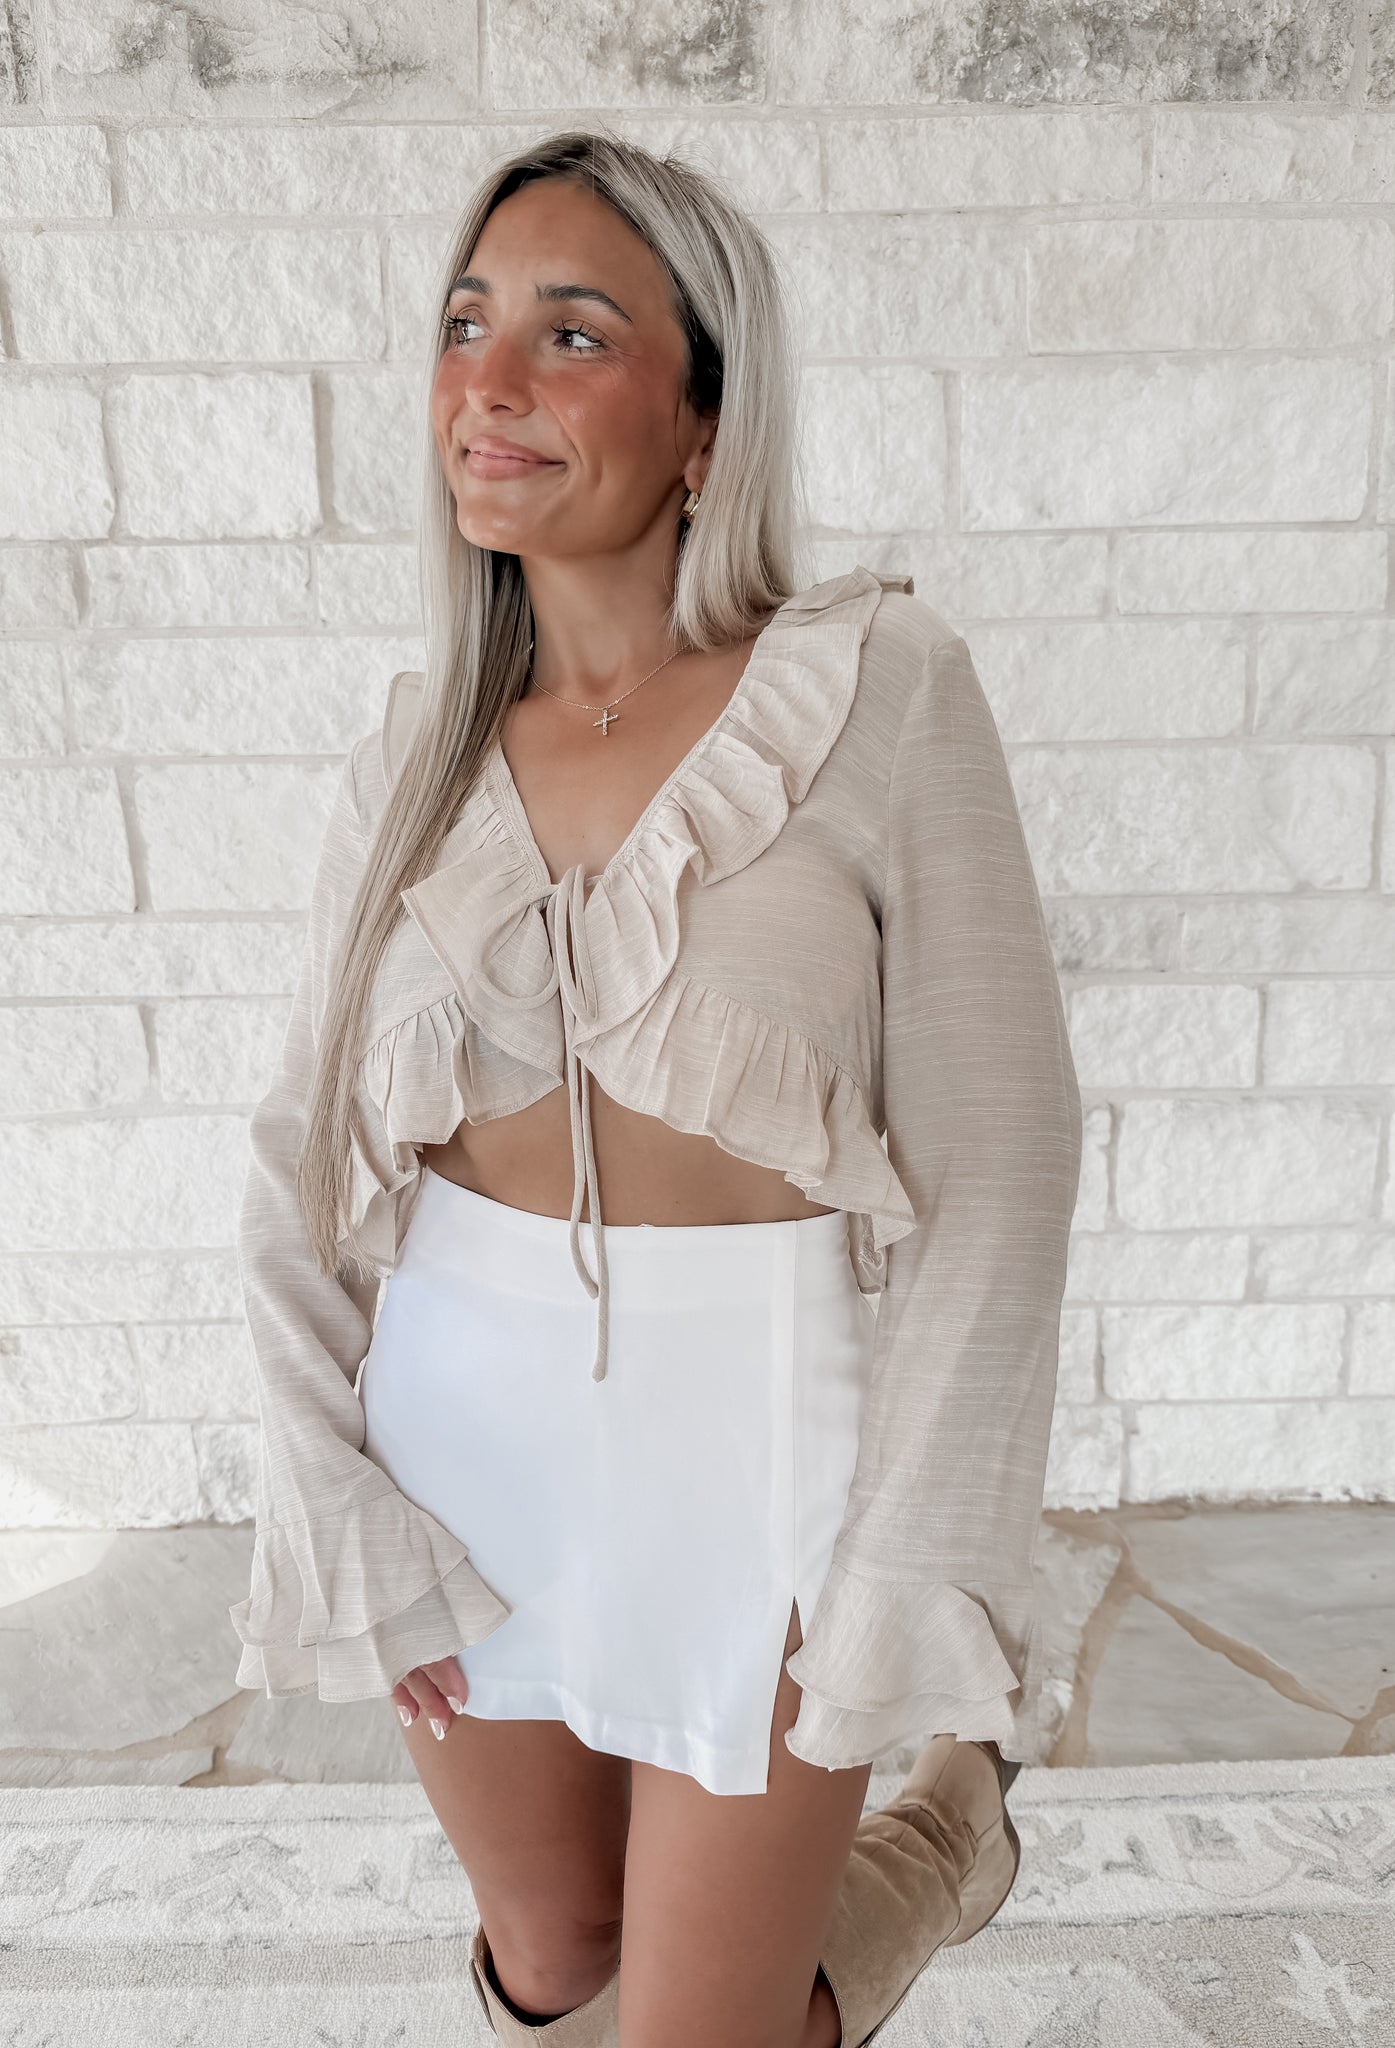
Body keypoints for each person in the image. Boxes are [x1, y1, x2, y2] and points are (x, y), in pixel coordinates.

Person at [228, 127, 1083, 2048]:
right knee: (557, 1960)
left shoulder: (877, 689)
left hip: (759, 1451)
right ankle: (913, 1866)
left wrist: (914, 1563)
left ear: (707, 420)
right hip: (455, 1445)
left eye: (572, 331)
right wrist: (320, 1479)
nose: (489, 381)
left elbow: (1006, 1162)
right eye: (464, 324)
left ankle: (932, 1841)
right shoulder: (416, 753)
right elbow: (299, 1146)